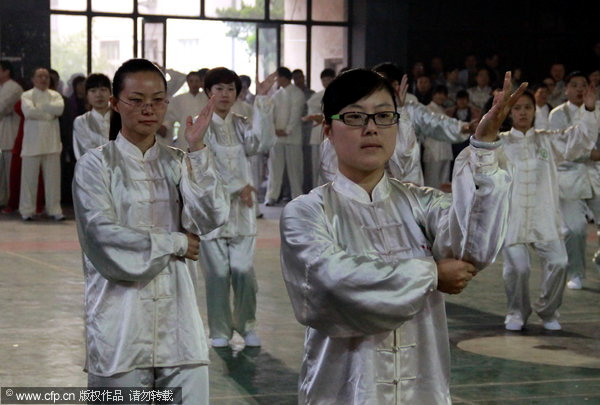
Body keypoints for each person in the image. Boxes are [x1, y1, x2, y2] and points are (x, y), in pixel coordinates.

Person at [280, 69, 522, 404]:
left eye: (383, 116)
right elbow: (332, 282)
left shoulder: (421, 203)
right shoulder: (307, 211)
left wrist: (483, 148)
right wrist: (431, 273)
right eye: (354, 116)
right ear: (328, 130)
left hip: (422, 389)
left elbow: (474, 248)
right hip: (345, 391)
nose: (371, 128)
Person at [72, 58, 229, 403]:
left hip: (179, 322)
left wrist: (198, 149)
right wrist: (175, 241)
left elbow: (211, 216)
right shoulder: (96, 165)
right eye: (137, 100)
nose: (149, 109)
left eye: (158, 100)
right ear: (116, 103)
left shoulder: (178, 161)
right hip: (120, 319)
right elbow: (102, 234)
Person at [501, 89, 598, 331]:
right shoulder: (500, 143)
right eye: (517, 108)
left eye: (527, 107)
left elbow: (578, 140)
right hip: (513, 218)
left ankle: (548, 310)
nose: (522, 112)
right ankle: (517, 312)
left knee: (560, 261)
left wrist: (587, 111)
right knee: (519, 268)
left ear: (535, 111)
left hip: (544, 217)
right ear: (510, 113)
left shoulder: (547, 140)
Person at [197, 68, 277, 348]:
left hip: (242, 210)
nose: (225, 94)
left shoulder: (242, 123)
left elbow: (262, 142)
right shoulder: (199, 126)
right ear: (209, 92)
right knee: (218, 274)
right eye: (218, 89)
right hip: (213, 212)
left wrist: (263, 102)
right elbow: (201, 167)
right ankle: (219, 329)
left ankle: (247, 325)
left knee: (243, 270)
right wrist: (236, 186)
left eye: (231, 89)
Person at [550, 71, 600, 290]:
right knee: (576, 229)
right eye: (574, 85)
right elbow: (566, 149)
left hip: (596, 175)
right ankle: (576, 273)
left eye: (583, 85)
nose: (580, 89)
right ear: (566, 89)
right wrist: (593, 154)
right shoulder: (557, 115)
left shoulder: (598, 110)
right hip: (568, 178)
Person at [20, 67, 65, 221]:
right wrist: (48, 112)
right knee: (28, 181)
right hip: (31, 144)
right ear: (33, 79)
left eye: (46, 76)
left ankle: (54, 210)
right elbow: (28, 112)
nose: (43, 79)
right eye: (39, 76)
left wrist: (41, 108)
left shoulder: (55, 95)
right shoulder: (26, 95)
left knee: (53, 181)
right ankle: (27, 210)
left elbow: (59, 110)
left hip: (52, 143)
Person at [265, 67, 305, 205]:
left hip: (292, 137)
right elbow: (270, 113)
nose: (276, 80)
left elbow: (295, 113)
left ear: (284, 78)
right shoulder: (277, 94)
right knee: (275, 168)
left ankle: (297, 196)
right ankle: (272, 196)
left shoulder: (297, 93)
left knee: (295, 169)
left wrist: (287, 130)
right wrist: (273, 129)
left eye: (278, 77)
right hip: (277, 136)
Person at [303, 68, 336, 188]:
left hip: (332, 135)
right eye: (324, 80)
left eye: (328, 79)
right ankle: (317, 192)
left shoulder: (338, 94)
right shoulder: (317, 96)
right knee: (316, 166)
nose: (326, 82)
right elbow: (311, 109)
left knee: (330, 166)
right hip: (317, 133)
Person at [162, 71, 208, 150]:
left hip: (204, 133)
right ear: (187, 82)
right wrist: (165, 126)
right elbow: (170, 117)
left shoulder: (207, 98)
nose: (194, 84)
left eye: (196, 81)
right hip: (184, 133)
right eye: (191, 81)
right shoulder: (178, 99)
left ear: (200, 82)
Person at [0, 60, 23, 208]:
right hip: (2, 135)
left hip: (10, 135)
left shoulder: (14, 88)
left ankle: (11, 201)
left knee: (9, 173)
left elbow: (2, 108)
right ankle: (3, 200)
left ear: (6, 71)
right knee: (2, 173)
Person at [72, 73, 111, 160]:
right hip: (92, 171)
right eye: (93, 91)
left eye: (103, 89)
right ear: (87, 95)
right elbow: (86, 151)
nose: (98, 94)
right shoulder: (81, 121)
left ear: (110, 93)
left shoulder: (123, 118)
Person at [423, 85, 453, 188]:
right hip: (433, 150)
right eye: (439, 93)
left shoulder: (444, 111)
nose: (441, 96)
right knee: (432, 181)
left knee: (444, 182)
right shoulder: (426, 109)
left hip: (445, 149)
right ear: (433, 95)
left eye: (444, 94)